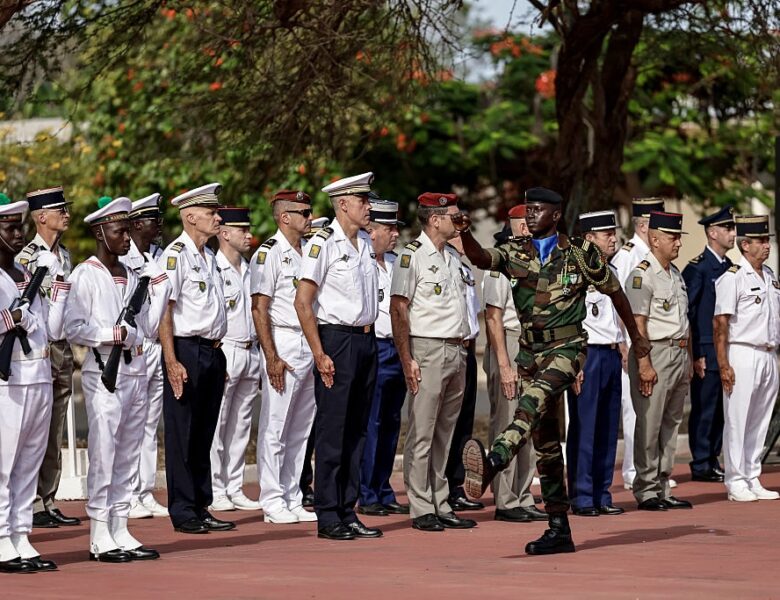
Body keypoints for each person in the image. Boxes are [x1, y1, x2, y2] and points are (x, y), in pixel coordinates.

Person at [455, 187, 651, 555]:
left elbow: (616, 294)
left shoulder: (580, 253)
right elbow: (481, 258)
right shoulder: (516, 251)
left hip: (567, 349)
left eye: (537, 209)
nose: (529, 215)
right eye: (527, 209)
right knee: (545, 445)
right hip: (531, 352)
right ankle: (559, 528)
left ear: (556, 215)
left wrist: (637, 339)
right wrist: (465, 231)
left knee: (530, 404)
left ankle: (493, 462)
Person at [65, 196, 168, 561]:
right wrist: (111, 334)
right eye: (118, 230)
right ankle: (98, 533)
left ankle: (121, 525)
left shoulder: (134, 274)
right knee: (105, 451)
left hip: (136, 369)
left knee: (129, 450)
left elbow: (149, 327)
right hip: (104, 372)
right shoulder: (85, 274)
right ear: (99, 232)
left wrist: (161, 288)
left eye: (127, 229)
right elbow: (72, 327)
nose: (126, 237)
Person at [294, 172, 382, 541]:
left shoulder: (364, 242)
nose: (369, 207)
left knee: (358, 430)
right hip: (337, 340)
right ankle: (328, 514)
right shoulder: (323, 244)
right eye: (363, 201)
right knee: (333, 430)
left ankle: (349, 509)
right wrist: (319, 352)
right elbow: (303, 301)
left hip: (366, 339)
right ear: (343, 204)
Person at [390, 192, 476, 533]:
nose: (460, 221)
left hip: (457, 348)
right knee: (422, 430)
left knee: (446, 431)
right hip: (427, 347)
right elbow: (399, 308)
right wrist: (407, 357)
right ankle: (421, 504)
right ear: (435, 219)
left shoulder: (452, 256)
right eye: (454, 216)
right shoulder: (412, 257)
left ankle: (441, 500)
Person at [158, 183, 234, 534]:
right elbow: (164, 312)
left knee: (204, 432)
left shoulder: (209, 257)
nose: (218, 218)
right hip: (186, 349)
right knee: (182, 433)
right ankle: (183, 508)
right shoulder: (174, 255)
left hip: (212, 350)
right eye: (210, 213)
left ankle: (201, 504)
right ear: (190, 216)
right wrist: (172, 360)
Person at [0, 193, 69, 573]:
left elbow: (54, 329)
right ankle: (0, 537)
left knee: (29, 460)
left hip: (40, 374)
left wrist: (56, 284)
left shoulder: (28, 275)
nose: (17, 233)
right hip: (8, 379)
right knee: (4, 463)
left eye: (19, 226)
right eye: (9, 227)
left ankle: (20, 534)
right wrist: (13, 318)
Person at [252, 191, 317, 524]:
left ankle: (293, 495)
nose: (309, 217)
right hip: (284, 338)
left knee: (301, 427)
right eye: (303, 212)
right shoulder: (269, 253)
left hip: (308, 340)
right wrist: (271, 355)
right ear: (284, 217)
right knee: (276, 425)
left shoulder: (309, 251)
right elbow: (259, 307)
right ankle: (272, 498)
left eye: (309, 211)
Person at [17, 186, 80, 529]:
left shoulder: (65, 255)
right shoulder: (26, 258)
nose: (66, 214)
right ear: (41, 217)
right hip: (38, 347)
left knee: (55, 427)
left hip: (63, 347)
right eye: (60, 209)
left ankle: (48, 498)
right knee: (35, 428)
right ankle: (32, 501)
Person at [624, 210, 693, 512]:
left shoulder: (674, 273)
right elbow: (638, 324)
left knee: (671, 424)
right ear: (654, 239)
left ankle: (663, 485)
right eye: (672, 237)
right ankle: (646, 488)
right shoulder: (642, 274)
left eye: (678, 237)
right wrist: (644, 364)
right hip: (655, 353)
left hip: (678, 353)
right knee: (649, 424)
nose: (677, 242)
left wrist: (687, 357)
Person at [482, 204, 546, 523]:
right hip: (508, 341)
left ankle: (523, 494)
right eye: (526, 223)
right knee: (506, 421)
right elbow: (493, 317)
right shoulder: (500, 262)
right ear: (517, 227)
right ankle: (505, 499)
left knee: (528, 422)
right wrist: (505, 365)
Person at [714, 215, 780, 502]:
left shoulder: (769, 275)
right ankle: (735, 479)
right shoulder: (732, 277)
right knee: (738, 419)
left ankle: (753, 475)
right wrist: (723, 364)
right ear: (745, 245)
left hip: (768, 353)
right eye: (761, 241)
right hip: (742, 351)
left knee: (760, 419)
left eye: (767, 240)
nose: (766, 246)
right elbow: (720, 323)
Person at [566, 210, 626, 516]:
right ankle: (582, 495)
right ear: (589, 238)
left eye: (613, 233)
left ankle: (603, 493)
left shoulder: (612, 269)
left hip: (611, 353)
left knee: (606, 427)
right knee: (585, 427)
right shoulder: (575, 271)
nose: (613, 238)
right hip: (587, 354)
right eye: (606, 234)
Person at [208, 206, 262, 512]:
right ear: (225, 234)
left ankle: (234, 484)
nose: (249, 235)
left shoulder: (250, 267)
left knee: (242, 423)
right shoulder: (214, 268)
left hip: (250, 349)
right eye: (243, 230)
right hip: (226, 347)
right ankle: (215, 487)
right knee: (219, 423)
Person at [357, 197, 409, 517]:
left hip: (396, 348)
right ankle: (367, 492)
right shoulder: (360, 262)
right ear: (371, 230)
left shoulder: (395, 263)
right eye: (388, 228)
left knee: (391, 421)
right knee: (371, 422)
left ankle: (384, 488)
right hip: (373, 346)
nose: (394, 234)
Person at [611, 197, 666, 491]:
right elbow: (621, 305)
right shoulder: (629, 256)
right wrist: (625, 344)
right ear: (645, 225)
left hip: (650, 344)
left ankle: (646, 468)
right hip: (632, 345)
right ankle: (633, 470)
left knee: (648, 409)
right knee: (635, 410)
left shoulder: (653, 255)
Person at [121, 193, 171, 519]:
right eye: (153, 220)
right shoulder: (125, 258)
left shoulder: (158, 255)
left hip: (155, 344)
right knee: (131, 423)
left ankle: (144, 489)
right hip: (135, 346)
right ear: (137, 224)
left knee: (151, 423)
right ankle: (127, 493)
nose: (159, 226)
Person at [682, 206, 735, 483]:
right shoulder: (699, 268)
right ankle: (701, 461)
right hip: (705, 347)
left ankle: (713, 458)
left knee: (720, 410)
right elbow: (689, 312)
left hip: (723, 349)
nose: (733, 233)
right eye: (728, 228)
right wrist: (696, 353)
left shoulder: (729, 268)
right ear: (712, 233)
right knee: (705, 407)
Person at [444, 233, 484, 512]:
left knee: (463, 422)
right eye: (458, 235)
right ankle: (440, 486)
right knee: (443, 423)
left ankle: (456, 484)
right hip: (446, 347)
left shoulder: (465, 267)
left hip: (467, 348)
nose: (463, 240)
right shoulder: (440, 264)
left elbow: (474, 312)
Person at [298, 216, 329, 508]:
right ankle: (294, 486)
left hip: (317, 336)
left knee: (311, 420)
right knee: (289, 426)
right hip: (298, 339)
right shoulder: (272, 255)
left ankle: (300, 486)